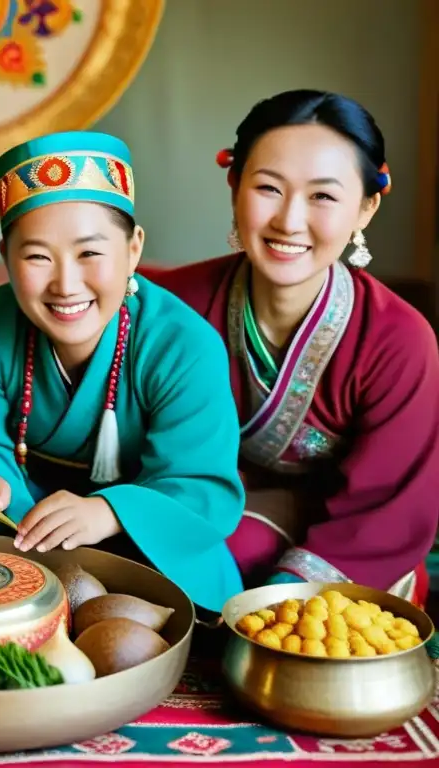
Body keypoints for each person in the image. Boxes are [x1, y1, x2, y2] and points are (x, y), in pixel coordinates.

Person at [0, 131, 245, 614]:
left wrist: (108, 511)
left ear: (133, 249)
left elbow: (200, 483)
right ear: (6, 255)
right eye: (37, 256)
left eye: (90, 253)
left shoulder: (182, 344)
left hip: (144, 544)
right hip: (19, 531)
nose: (66, 284)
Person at [153, 90, 439, 608]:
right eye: (268, 188)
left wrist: (283, 600)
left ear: (366, 208)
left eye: (323, 197)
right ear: (234, 186)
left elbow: (389, 510)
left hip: (350, 543)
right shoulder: (174, 306)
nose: (288, 221)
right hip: (211, 517)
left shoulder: (400, 340)